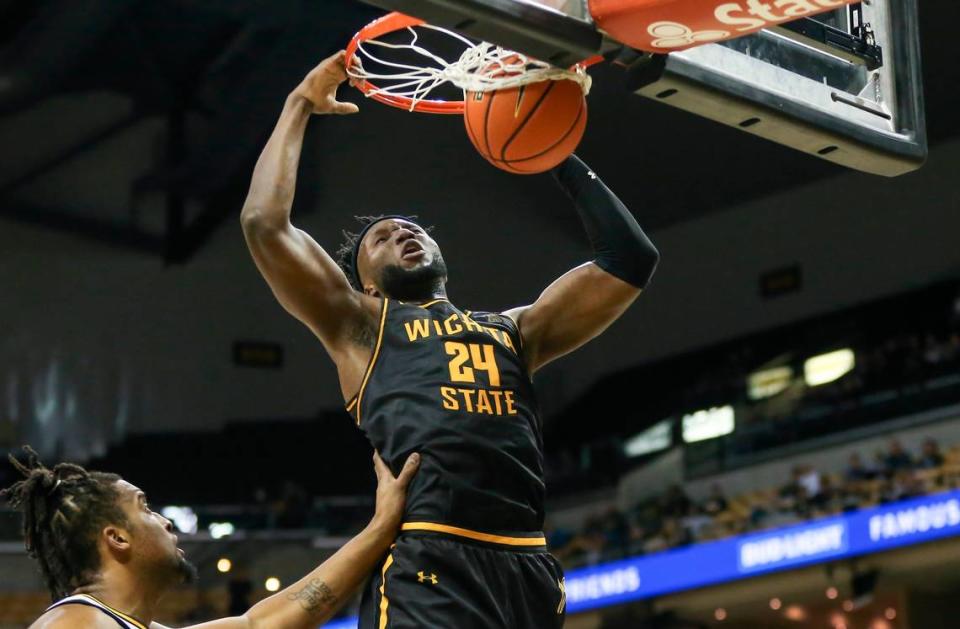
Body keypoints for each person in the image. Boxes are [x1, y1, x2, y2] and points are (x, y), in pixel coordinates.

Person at [240, 50, 659, 629]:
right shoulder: (359, 325)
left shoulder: (514, 331)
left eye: (410, 229)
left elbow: (629, 259)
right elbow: (265, 224)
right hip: (430, 558)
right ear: (362, 280)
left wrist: (550, 149)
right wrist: (298, 106)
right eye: (381, 239)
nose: (403, 233)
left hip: (526, 564)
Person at [2, 446, 419, 629]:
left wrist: (381, 527)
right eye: (145, 507)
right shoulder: (75, 624)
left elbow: (263, 623)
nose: (165, 522)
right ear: (117, 538)